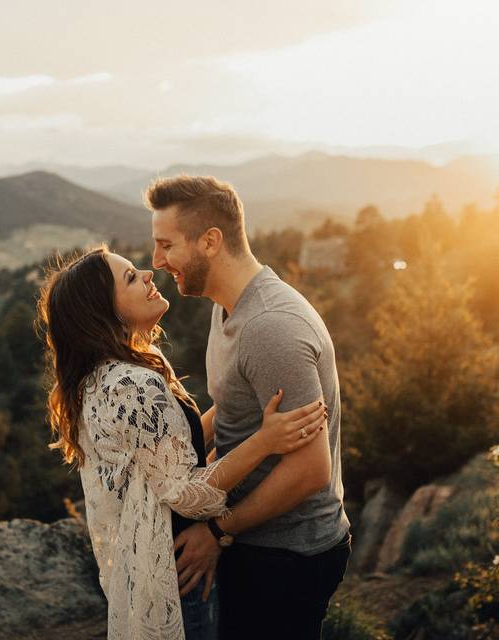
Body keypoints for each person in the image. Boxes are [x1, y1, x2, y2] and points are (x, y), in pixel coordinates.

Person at [36, 246, 328, 640]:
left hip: (167, 567)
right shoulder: (130, 385)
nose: (147, 273)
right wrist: (264, 441)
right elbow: (185, 492)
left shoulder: (106, 376)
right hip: (182, 575)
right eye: (130, 278)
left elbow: (165, 449)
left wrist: (234, 402)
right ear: (105, 311)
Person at [147, 175, 352, 639]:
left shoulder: (269, 327)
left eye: (166, 245)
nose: (157, 262)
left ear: (211, 241)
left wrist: (218, 533)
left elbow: (310, 470)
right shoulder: (227, 306)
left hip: (288, 555)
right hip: (254, 539)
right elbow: (232, 408)